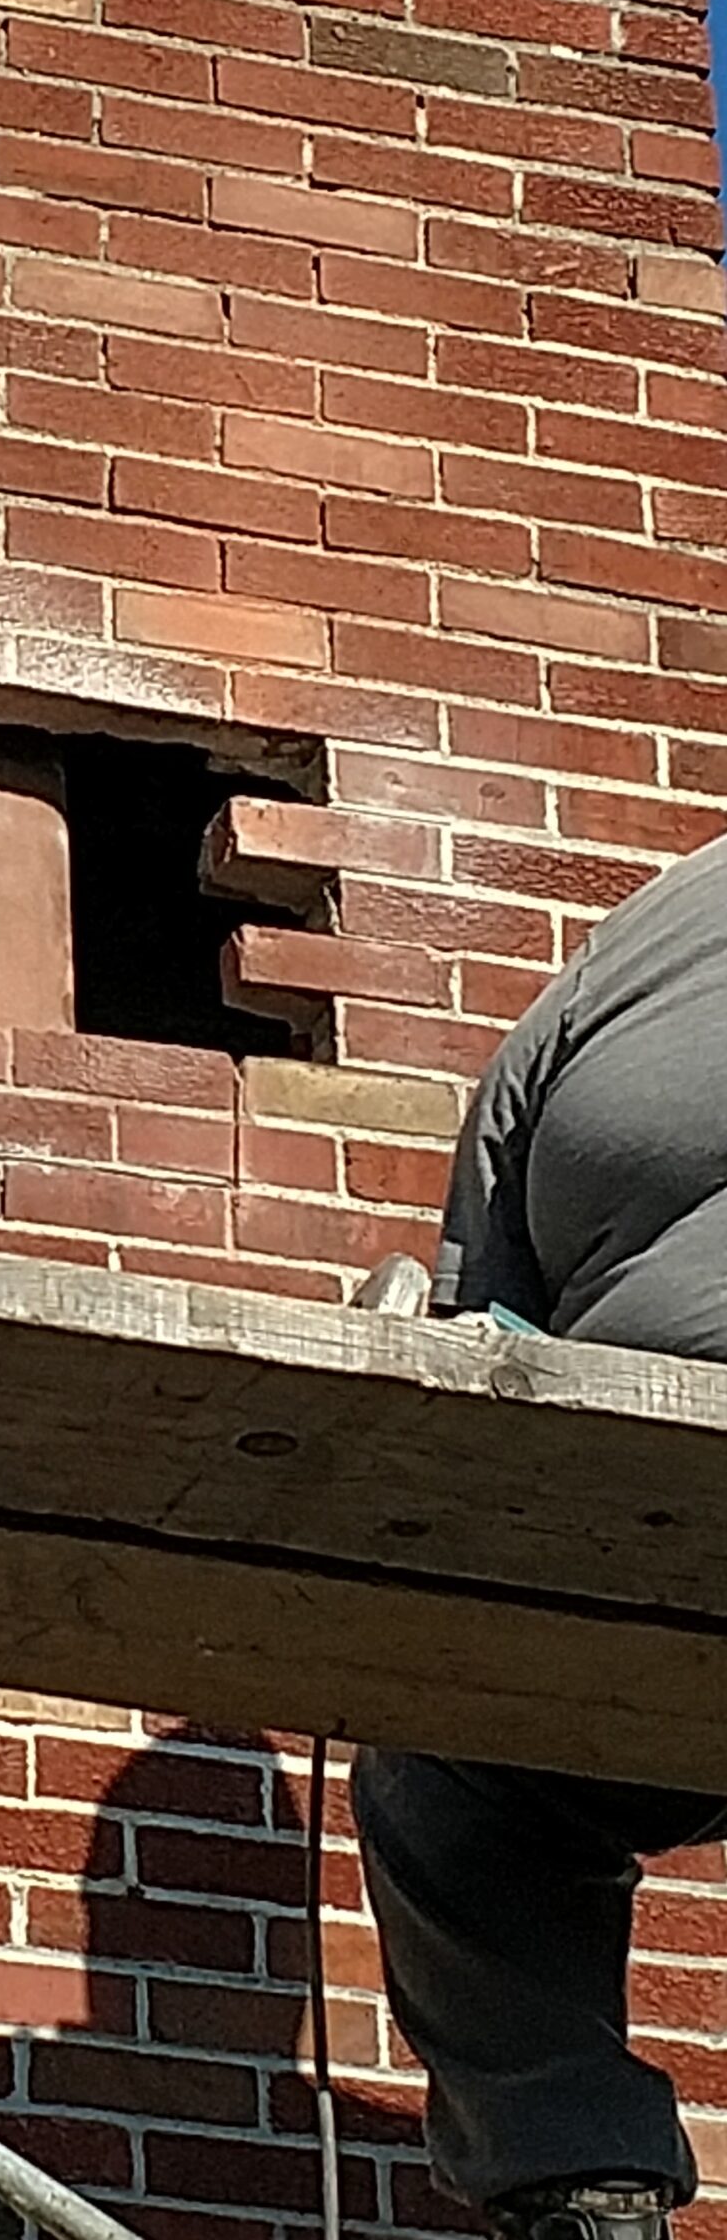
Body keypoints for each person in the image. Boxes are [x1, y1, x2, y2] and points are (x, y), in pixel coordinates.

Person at [353, 831, 727, 2240]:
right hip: (641, 1506)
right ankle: (582, 2193)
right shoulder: (638, 952)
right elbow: (482, 1321)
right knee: (456, 1757)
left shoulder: (632, 946)